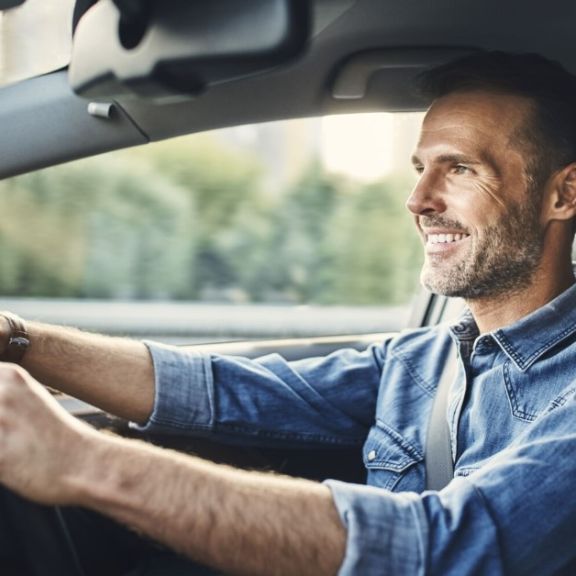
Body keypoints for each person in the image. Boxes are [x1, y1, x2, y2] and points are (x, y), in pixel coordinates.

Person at [0, 51, 576, 575]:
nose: (419, 199)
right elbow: (223, 392)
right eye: (419, 168)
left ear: (563, 195)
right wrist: (21, 341)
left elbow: (445, 549)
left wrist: (83, 463)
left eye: (460, 169)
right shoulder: (423, 361)